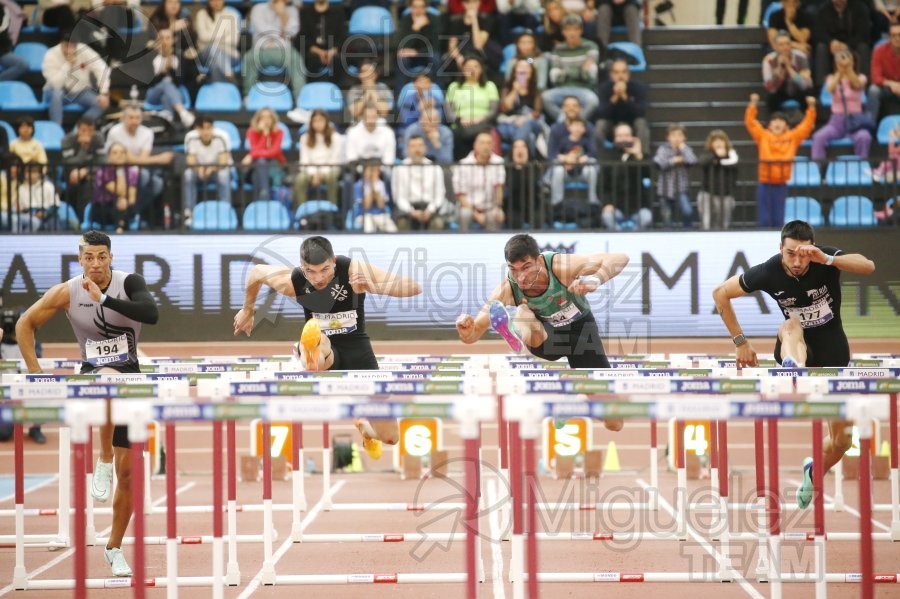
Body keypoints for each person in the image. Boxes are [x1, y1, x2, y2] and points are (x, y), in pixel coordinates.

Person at [15, 230, 160, 577]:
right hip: (92, 375)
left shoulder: (129, 282)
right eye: (88, 257)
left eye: (101, 256)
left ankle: (114, 547)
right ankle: (104, 457)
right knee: (106, 378)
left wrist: (105, 299)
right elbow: (25, 324)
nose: (95, 263)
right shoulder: (67, 291)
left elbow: (151, 313)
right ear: (79, 258)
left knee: (129, 475)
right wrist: (37, 375)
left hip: (132, 375)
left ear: (110, 257)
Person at [712, 220, 876, 509]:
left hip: (833, 350)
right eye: (790, 254)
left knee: (842, 442)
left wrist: (827, 259)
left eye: (803, 254)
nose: (798, 261)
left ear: (812, 248)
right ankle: (792, 368)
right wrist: (740, 342)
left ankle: (813, 472)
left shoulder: (824, 259)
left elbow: (868, 266)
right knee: (791, 324)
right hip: (795, 343)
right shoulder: (769, 270)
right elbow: (720, 293)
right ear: (780, 249)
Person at [233, 236, 422, 458]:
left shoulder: (352, 269)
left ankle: (365, 427)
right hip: (323, 345)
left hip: (357, 348)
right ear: (302, 268)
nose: (319, 278)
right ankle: (308, 350)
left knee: (391, 437)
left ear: (333, 261)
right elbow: (257, 273)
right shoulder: (294, 281)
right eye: (310, 272)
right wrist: (248, 309)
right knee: (319, 348)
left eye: (324, 270)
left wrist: (373, 287)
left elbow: (414, 287)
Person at [456, 233, 629, 430]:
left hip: (582, 335)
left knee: (615, 422)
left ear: (539, 261)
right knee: (523, 312)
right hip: (545, 338)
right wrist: (467, 328)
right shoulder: (507, 289)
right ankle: (515, 334)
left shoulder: (560, 266)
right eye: (513, 270)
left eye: (526, 267)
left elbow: (620, 258)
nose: (520, 276)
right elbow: (474, 333)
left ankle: (578, 401)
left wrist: (595, 280)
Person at [745, 93, 816, 228]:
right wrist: (752, 104)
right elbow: (750, 122)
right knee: (764, 221)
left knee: (779, 221)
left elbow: (806, 126)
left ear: (786, 126)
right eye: (774, 121)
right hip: (765, 184)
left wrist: (811, 108)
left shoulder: (792, 137)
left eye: (781, 121)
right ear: (769, 125)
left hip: (781, 184)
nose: (777, 123)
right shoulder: (763, 136)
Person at [810, 49, 871, 162]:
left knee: (864, 137)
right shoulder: (831, 78)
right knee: (818, 137)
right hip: (836, 122)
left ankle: (861, 169)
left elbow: (857, 84)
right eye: (840, 63)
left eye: (848, 62)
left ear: (853, 63)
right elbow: (830, 88)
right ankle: (818, 171)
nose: (844, 64)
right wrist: (840, 72)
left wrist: (848, 70)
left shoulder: (861, 77)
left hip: (855, 121)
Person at [653, 124, 697, 228]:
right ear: (668, 137)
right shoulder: (663, 149)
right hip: (665, 189)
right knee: (667, 217)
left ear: (684, 137)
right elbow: (658, 162)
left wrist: (684, 149)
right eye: (673, 135)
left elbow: (693, 160)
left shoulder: (686, 149)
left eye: (679, 135)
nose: (676, 138)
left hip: (681, 188)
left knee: (687, 211)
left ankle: (688, 232)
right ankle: (669, 237)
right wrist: (673, 160)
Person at [697, 129, 738, 230]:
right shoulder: (706, 153)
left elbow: (735, 163)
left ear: (726, 142)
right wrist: (716, 155)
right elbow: (702, 162)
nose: (719, 143)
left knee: (723, 224)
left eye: (721, 140)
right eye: (715, 141)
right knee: (706, 223)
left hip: (726, 195)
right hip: (708, 193)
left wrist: (723, 157)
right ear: (711, 143)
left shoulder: (732, 154)